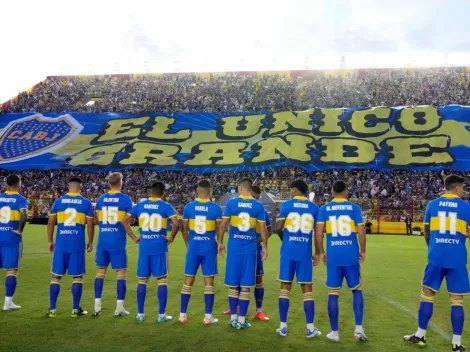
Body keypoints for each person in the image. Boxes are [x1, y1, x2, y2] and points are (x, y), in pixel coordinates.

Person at [404, 174, 470, 352]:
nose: (463, 191)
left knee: (427, 294)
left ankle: (420, 334)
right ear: (456, 188)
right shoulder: (466, 207)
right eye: (463, 188)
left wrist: (433, 249)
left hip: (436, 257)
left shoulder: (432, 205)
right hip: (457, 259)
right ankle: (456, 343)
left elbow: (427, 232)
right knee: (457, 301)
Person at [314, 180, 367, 342]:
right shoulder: (354, 208)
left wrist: (321, 252)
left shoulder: (324, 209)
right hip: (351, 254)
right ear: (346, 191)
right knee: (356, 290)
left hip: (334, 256)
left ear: (331, 192)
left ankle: (334, 333)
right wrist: (363, 250)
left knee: (333, 293)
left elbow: (318, 233)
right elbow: (361, 231)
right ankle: (358, 329)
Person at [122, 181, 178, 323]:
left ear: (150, 192)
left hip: (144, 246)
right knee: (162, 280)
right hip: (159, 246)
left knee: (142, 281)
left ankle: (140, 314)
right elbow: (176, 223)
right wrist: (171, 237)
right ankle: (161, 315)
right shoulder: (166, 206)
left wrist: (134, 237)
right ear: (163, 193)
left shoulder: (140, 205)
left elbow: (124, 221)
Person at [217, 178, 268, 330]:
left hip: (234, 247)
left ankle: (233, 319)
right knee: (245, 287)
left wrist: (220, 243)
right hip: (249, 249)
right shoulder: (258, 205)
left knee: (233, 286)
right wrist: (265, 246)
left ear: (240, 188)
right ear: (250, 189)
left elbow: (223, 225)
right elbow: (263, 229)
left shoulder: (231, 204)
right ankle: (241, 320)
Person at [275, 179, 321, 338]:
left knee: (284, 288)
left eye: (291, 188)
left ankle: (283, 327)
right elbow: (318, 234)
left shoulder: (286, 206)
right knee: (307, 289)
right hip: (304, 251)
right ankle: (310, 328)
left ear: (295, 190)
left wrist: (286, 240)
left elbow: (278, 228)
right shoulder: (314, 208)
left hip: (288, 250)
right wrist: (317, 252)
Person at [47, 177, 94, 318]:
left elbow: (50, 222)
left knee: (56, 276)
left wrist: (50, 241)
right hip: (77, 244)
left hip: (61, 243)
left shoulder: (58, 201)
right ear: (80, 187)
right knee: (77, 276)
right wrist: (90, 242)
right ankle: (75, 309)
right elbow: (90, 225)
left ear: (68, 187)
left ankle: (52, 309)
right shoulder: (86, 203)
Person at [93, 172, 138, 317]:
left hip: (103, 240)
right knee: (121, 273)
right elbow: (128, 221)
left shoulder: (100, 199)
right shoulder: (126, 200)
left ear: (109, 184)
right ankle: (119, 308)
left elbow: (96, 220)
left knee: (100, 272)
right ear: (121, 182)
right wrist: (133, 236)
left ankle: (97, 306)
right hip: (117, 241)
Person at [179, 179, 222, 325]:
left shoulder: (189, 207)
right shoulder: (215, 208)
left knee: (188, 280)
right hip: (209, 246)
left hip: (193, 246)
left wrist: (189, 244)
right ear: (210, 191)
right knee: (209, 282)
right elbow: (220, 229)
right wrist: (220, 243)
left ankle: (182, 315)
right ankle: (207, 317)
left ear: (197, 190)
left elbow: (184, 229)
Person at [0, 175, 28, 311]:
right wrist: (19, 230)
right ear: (18, 184)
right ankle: (7, 303)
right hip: (11, 238)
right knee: (11, 271)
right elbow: (24, 214)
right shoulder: (20, 199)